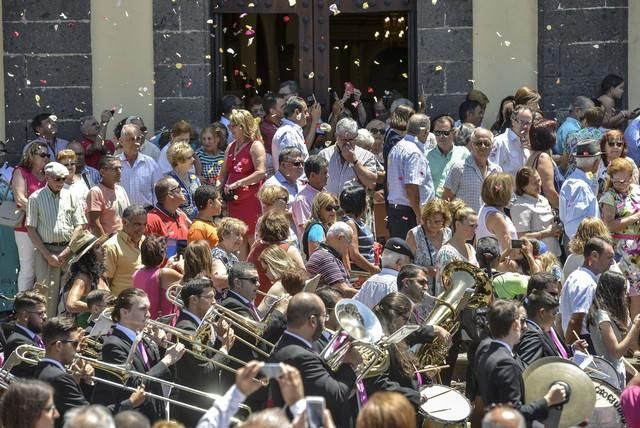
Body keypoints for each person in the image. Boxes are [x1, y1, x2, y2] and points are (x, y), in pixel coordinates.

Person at [91, 288, 186, 422]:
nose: (148, 314)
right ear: (124, 312)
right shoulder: (113, 345)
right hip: (135, 418)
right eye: (143, 309)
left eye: (148, 309)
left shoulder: (144, 338)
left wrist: (163, 347)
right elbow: (135, 385)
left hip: (154, 413)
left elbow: (164, 377)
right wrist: (167, 360)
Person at [269, 292, 360, 428]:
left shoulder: (290, 346)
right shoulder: (301, 356)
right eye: (325, 317)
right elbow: (337, 395)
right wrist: (350, 364)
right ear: (312, 321)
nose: (325, 323)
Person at [35, 317, 142, 425]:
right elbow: (89, 417)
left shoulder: (44, 369)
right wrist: (130, 403)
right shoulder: (60, 377)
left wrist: (83, 382)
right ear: (58, 345)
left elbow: (71, 408)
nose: (78, 349)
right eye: (75, 344)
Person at [475, 300, 566, 424]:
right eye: (520, 321)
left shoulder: (484, 349)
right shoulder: (506, 363)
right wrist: (549, 400)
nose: (525, 326)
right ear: (514, 325)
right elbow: (515, 414)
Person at [171, 278, 235, 427]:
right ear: (193, 300)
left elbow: (209, 355)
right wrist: (225, 348)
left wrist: (220, 337)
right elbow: (205, 370)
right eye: (210, 297)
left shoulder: (199, 323)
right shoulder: (187, 329)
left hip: (205, 402)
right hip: (194, 407)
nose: (214, 302)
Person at [27, 162, 86, 316]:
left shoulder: (71, 195)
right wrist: (47, 255)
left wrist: (68, 251)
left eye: (64, 179)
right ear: (47, 177)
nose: (61, 182)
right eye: (57, 179)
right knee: (46, 294)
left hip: (69, 249)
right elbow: (31, 229)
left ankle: (66, 329)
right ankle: (45, 331)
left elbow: (80, 225)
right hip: (46, 250)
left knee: (69, 292)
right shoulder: (35, 198)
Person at [218, 109, 266, 259]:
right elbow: (224, 172)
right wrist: (219, 189)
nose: (230, 128)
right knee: (239, 238)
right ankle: (242, 271)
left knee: (252, 238)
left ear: (243, 126)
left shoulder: (255, 145)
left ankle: (257, 270)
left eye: (234, 125)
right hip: (233, 200)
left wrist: (239, 182)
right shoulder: (231, 146)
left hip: (250, 199)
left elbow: (260, 172)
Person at [600, 157, 640, 318]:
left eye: (624, 181)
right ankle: (625, 330)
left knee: (637, 293)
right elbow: (608, 225)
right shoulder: (609, 196)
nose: (620, 185)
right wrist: (634, 218)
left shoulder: (637, 190)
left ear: (631, 177)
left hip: (637, 248)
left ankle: (636, 333)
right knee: (626, 292)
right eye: (616, 181)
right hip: (622, 250)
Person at [588, 271, 640, 389]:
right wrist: (635, 327)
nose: (625, 295)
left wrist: (635, 373)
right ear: (613, 292)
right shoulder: (602, 317)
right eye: (623, 291)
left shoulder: (607, 314)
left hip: (616, 376)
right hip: (608, 379)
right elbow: (616, 352)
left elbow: (618, 359)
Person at [386, 113, 435, 238]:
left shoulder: (397, 148)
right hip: (409, 212)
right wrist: (419, 214)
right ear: (423, 132)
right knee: (413, 253)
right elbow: (411, 187)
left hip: (397, 210)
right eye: (428, 132)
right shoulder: (414, 152)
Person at [561, 237, 614, 348]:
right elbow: (576, 319)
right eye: (609, 257)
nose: (612, 262)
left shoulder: (575, 276)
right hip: (583, 343)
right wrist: (571, 349)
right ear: (594, 256)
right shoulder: (586, 283)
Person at [11, 141, 47, 291]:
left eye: (48, 155)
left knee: (43, 270)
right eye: (43, 155)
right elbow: (20, 199)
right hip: (25, 228)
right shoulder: (21, 172)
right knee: (28, 269)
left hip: (45, 227)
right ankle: (22, 307)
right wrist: (42, 211)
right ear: (31, 156)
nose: (46, 158)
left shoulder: (49, 175)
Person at [247, 211, 305, 304]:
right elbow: (303, 278)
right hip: (283, 302)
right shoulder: (289, 250)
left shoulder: (255, 249)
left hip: (259, 302)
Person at [443, 128, 502, 212]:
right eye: (479, 143)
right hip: (463, 223)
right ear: (471, 145)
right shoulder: (459, 168)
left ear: (492, 147)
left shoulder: (497, 171)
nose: (483, 146)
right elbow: (446, 199)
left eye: (487, 143)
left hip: (487, 223)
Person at [59, 230, 110, 323]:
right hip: (86, 330)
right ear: (88, 255)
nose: (103, 249)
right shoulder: (82, 278)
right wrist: (99, 308)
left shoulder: (99, 275)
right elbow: (71, 304)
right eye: (97, 247)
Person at [510, 167, 562, 257]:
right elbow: (522, 238)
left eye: (539, 180)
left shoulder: (543, 199)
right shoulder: (519, 206)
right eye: (534, 183)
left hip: (554, 253)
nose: (539, 184)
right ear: (524, 187)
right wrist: (547, 233)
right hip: (538, 257)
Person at [319, 118, 377, 197]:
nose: (347, 143)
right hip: (330, 206)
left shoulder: (367, 156)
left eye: (351, 140)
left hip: (354, 207)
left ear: (356, 137)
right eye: (344, 140)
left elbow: (371, 183)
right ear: (337, 137)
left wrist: (354, 161)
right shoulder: (324, 155)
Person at [405, 199, 452, 293]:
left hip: (443, 291)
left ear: (444, 220)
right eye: (429, 220)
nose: (432, 224)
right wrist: (426, 270)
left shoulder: (448, 233)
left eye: (437, 222)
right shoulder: (414, 234)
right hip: (420, 292)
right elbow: (405, 267)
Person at [515, 290, 572, 366]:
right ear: (542, 313)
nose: (555, 318)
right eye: (554, 313)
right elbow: (526, 370)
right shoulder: (533, 336)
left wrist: (573, 348)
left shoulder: (542, 330)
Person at [354, 238, 414, 308]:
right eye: (407, 263)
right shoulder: (398, 285)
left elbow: (355, 306)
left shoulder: (369, 282)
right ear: (399, 263)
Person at [559, 139, 601, 239]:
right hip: (584, 246)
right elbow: (575, 224)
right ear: (596, 163)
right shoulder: (581, 186)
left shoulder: (573, 181)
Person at [132, 236, 183, 318]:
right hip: (165, 326)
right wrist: (181, 265)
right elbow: (190, 282)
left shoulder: (136, 273)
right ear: (162, 254)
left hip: (146, 322)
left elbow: (153, 276)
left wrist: (166, 266)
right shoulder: (165, 273)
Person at [435, 201, 479, 295]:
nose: (474, 230)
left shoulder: (471, 248)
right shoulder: (446, 252)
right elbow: (445, 286)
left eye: (476, 226)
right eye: (471, 226)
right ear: (458, 225)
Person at [103, 204, 146, 297]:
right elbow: (104, 283)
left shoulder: (145, 241)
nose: (142, 229)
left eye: (144, 224)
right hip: (122, 306)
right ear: (124, 222)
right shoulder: (111, 247)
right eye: (137, 224)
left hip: (144, 304)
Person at [306, 222, 355, 297]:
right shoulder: (325, 257)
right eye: (348, 242)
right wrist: (367, 295)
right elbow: (343, 291)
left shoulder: (325, 254)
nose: (348, 246)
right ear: (340, 238)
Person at [5, 291, 47, 378]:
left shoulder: (35, 337)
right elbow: (44, 370)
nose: (45, 317)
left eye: (45, 312)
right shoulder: (18, 341)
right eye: (40, 313)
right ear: (25, 316)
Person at [118, 123, 163, 206]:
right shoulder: (115, 164)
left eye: (138, 139)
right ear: (121, 141)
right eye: (132, 139)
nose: (137, 143)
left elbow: (159, 193)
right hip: (122, 215)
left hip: (146, 214)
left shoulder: (150, 164)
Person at [86, 155, 130, 236]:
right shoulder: (96, 192)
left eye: (120, 168)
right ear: (102, 172)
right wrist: (105, 244)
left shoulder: (121, 190)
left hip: (124, 240)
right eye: (115, 169)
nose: (119, 172)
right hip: (108, 243)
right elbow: (95, 224)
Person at [340, 186, 378, 274]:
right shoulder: (350, 223)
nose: (368, 201)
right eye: (365, 198)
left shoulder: (359, 221)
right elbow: (354, 255)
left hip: (367, 272)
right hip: (360, 275)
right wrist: (373, 269)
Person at [427, 115, 468, 197]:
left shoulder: (464, 153)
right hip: (433, 205)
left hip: (455, 204)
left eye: (446, 133)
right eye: (438, 133)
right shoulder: (426, 156)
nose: (441, 137)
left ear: (453, 132)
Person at [526, 119, 563, 209]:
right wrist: (564, 209)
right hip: (547, 211)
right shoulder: (543, 158)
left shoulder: (534, 155)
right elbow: (549, 191)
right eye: (554, 131)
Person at [490, 105, 533, 179]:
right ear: (513, 121)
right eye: (522, 122)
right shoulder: (500, 142)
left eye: (528, 123)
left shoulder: (529, 143)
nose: (525, 126)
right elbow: (493, 172)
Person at [271, 96, 314, 171]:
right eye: (305, 112)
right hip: (291, 181)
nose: (307, 115)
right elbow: (289, 167)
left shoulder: (292, 131)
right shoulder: (288, 134)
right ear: (297, 112)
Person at [291, 155, 329, 238]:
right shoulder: (302, 200)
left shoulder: (324, 192)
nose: (328, 176)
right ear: (312, 175)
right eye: (324, 173)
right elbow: (305, 229)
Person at [562, 106, 605, 175]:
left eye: (581, 119)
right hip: (596, 175)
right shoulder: (604, 137)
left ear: (585, 120)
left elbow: (565, 159)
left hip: (573, 175)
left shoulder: (572, 136)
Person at [145, 176, 190, 240]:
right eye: (178, 187)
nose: (182, 190)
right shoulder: (152, 220)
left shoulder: (181, 216)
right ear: (170, 194)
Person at [167, 141, 201, 219]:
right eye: (189, 158)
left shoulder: (194, 178)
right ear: (178, 160)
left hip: (197, 222)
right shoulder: (168, 181)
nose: (193, 159)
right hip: (178, 223)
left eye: (192, 156)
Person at [211, 217, 247, 291]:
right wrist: (245, 280)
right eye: (237, 234)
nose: (240, 239)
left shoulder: (232, 257)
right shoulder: (218, 254)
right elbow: (218, 279)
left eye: (242, 235)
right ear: (224, 235)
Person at [301, 191, 338, 258]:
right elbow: (316, 258)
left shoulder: (326, 227)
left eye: (335, 208)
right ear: (319, 209)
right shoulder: (316, 228)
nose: (333, 211)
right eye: (329, 208)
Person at [382, 104, 414, 168]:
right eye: (411, 117)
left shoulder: (392, 132)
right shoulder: (394, 138)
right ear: (404, 118)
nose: (412, 121)